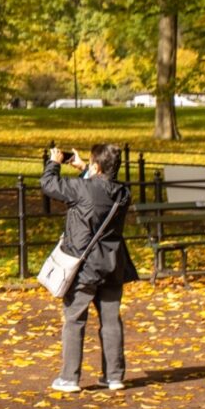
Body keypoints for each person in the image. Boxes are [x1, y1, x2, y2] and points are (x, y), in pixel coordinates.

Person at [41, 143, 138, 393]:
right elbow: (102, 187)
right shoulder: (123, 193)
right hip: (113, 264)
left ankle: (69, 378)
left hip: (83, 266)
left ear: (96, 166)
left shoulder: (81, 189)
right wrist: (85, 167)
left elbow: (49, 186)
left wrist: (54, 162)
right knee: (111, 321)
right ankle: (114, 376)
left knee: (74, 320)